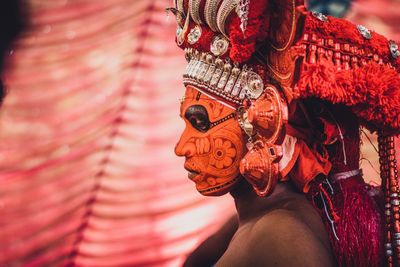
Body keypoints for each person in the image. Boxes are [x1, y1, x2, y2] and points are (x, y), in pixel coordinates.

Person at [168, 0, 400, 266]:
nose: (181, 147)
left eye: (200, 123)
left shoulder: (278, 235)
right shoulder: (264, 219)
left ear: (263, 123)